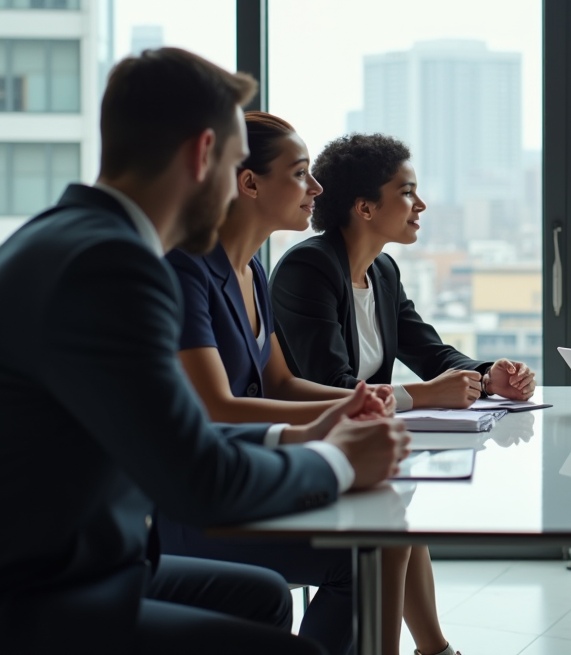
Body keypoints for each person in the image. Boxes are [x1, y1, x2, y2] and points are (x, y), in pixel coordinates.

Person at [0, 48, 409, 655]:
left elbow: (175, 429)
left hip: (80, 559)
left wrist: (297, 438)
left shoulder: (77, 238)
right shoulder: (112, 266)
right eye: (230, 165)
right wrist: (342, 463)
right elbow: (198, 478)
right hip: (26, 600)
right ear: (204, 156)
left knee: (266, 599)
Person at [163, 111, 457, 655]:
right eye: (300, 174)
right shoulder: (188, 269)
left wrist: (361, 404)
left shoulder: (251, 270)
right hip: (196, 498)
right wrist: (342, 417)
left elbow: (280, 382)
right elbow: (215, 408)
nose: (317, 189)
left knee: (390, 522)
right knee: (377, 543)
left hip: (245, 470)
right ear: (248, 183)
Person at [270, 132, 537, 406]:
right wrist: (426, 394)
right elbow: (330, 385)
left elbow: (430, 353)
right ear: (365, 207)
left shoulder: (383, 270)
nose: (421, 205)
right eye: (407, 193)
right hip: (311, 435)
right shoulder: (307, 268)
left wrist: (487, 378)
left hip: (365, 430)